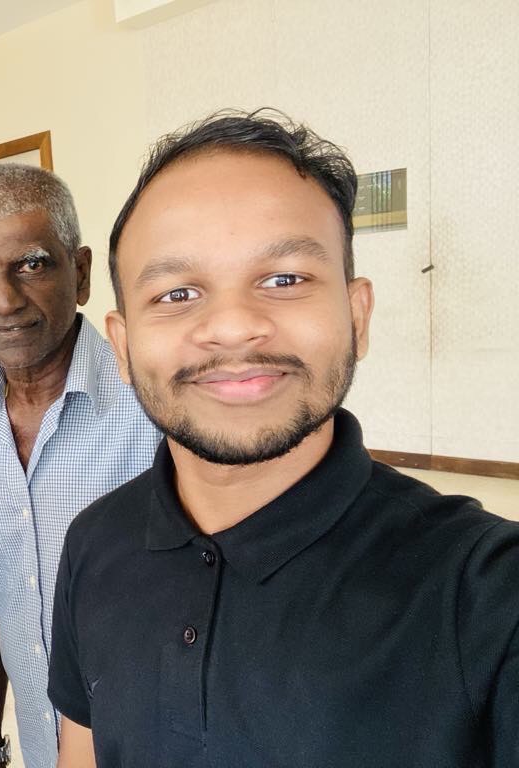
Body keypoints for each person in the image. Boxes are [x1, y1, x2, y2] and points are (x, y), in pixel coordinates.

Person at [48, 110, 519, 766]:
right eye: (177, 293)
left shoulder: (488, 592)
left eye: (284, 280)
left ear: (357, 315)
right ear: (122, 347)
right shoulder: (92, 543)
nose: (233, 326)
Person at [0, 164, 159, 768]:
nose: (5, 300)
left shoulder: (152, 406)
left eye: (32, 265)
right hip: (42, 743)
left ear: (81, 273)